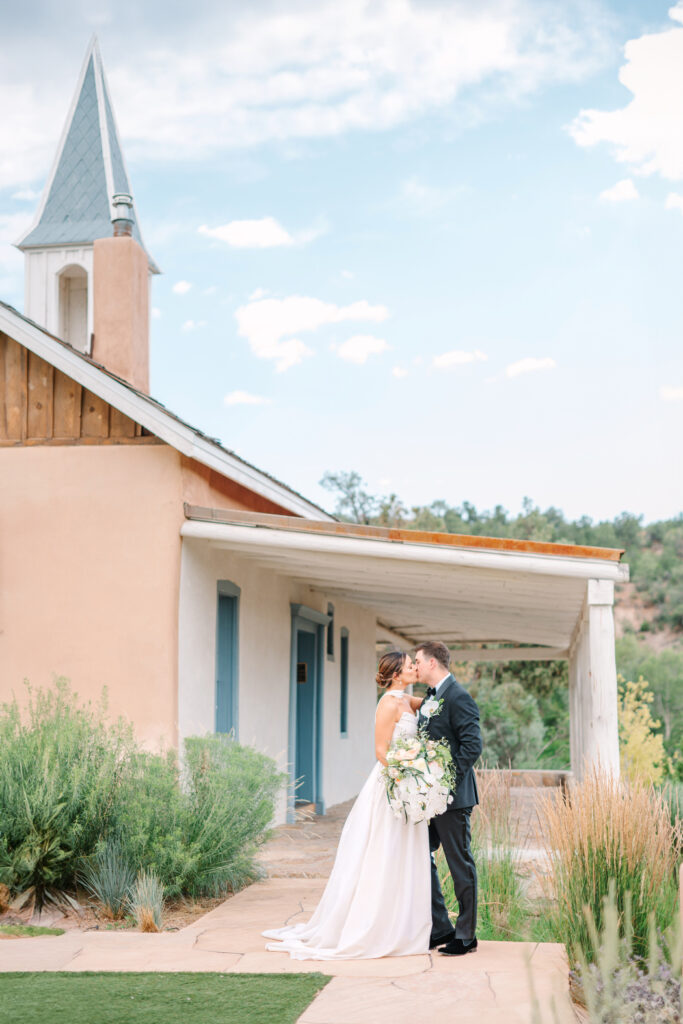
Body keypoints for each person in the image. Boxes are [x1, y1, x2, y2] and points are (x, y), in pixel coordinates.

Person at [263, 649, 431, 960]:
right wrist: (406, 772)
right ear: (397, 674)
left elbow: (438, 704)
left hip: (410, 785)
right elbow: (381, 752)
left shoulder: (409, 700)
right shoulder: (387, 704)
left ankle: (404, 923)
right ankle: (373, 924)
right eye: (410, 666)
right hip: (392, 782)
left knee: (404, 852)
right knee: (384, 850)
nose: (415, 669)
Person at [414, 640, 483, 956]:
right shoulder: (432, 697)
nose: (414, 666)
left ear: (431, 663)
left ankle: (466, 935)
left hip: (452, 798)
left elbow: (472, 747)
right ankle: (440, 926)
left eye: (417, 661)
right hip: (428, 797)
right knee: (417, 856)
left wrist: (444, 784)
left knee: (459, 863)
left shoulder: (458, 697)